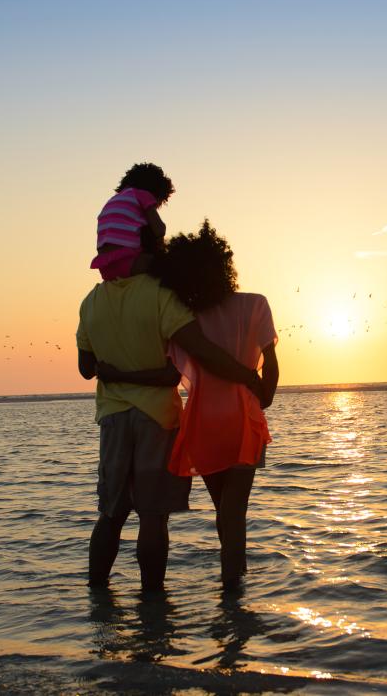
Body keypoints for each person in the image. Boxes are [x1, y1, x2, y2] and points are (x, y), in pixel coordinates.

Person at [99, 220, 278, 589]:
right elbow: (271, 368)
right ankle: (233, 596)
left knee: (223, 512)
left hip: (202, 423)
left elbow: (169, 370)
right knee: (235, 513)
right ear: (222, 264)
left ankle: (229, 588)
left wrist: (113, 372)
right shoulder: (255, 304)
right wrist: (263, 395)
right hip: (242, 419)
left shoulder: (185, 319)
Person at [90, 163, 173, 281]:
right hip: (130, 261)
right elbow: (159, 230)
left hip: (105, 269)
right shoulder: (143, 195)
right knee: (169, 264)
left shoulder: (112, 201)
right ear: (155, 192)